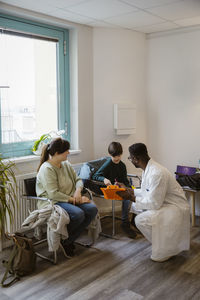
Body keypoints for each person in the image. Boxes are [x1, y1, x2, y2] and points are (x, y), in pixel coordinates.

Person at [117, 143, 190, 262]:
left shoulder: (157, 173)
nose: (130, 160)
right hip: (166, 204)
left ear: (136, 159)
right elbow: (147, 190)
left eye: (130, 158)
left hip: (175, 207)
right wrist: (129, 190)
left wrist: (130, 197)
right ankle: (166, 246)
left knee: (141, 220)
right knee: (139, 212)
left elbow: (154, 203)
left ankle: (167, 247)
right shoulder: (149, 168)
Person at [36, 137, 98, 256]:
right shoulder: (47, 169)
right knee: (78, 214)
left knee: (92, 210)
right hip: (53, 202)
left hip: (69, 199)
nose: (69, 153)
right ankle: (67, 241)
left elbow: (78, 179)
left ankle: (67, 240)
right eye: (66, 151)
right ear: (57, 153)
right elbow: (53, 193)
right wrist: (75, 200)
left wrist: (78, 191)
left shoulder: (66, 164)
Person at [92, 141, 136, 238]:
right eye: (114, 156)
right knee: (126, 197)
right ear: (110, 154)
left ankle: (131, 221)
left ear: (121, 154)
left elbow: (124, 180)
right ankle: (125, 222)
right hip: (107, 189)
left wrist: (128, 188)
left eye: (119, 155)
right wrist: (104, 179)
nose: (117, 158)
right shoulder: (108, 164)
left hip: (117, 188)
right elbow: (96, 176)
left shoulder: (122, 166)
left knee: (132, 194)